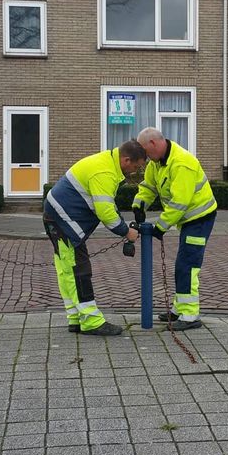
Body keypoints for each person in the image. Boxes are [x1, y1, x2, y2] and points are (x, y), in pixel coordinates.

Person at [44, 140, 147, 335]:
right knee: (78, 270)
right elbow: (105, 211)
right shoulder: (105, 172)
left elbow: (105, 202)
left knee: (67, 269)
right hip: (63, 220)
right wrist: (126, 231)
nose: (135, 170)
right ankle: (91, 321)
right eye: (136, 166)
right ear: (126, 160)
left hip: (57, 217)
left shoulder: (106, 164)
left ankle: (76, 318)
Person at [133, 127, 217, 331]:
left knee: (187, 265)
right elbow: (149, 187)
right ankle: (179, 309)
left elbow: (180, 202)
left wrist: (160, 227)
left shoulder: (182, 163)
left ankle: (189, 315)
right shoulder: (157, 162)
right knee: (182, 264)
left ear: (153, 144)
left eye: (145, 151)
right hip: (188, 220)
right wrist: (139, 203)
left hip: (199, 219)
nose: (144, 157)